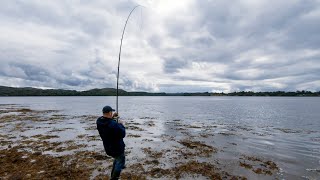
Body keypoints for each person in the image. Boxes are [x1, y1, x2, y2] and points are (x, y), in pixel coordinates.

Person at [96, 105, 126, 180]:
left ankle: (113, 174)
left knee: (117, 159)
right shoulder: (113, 124)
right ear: (109, 112)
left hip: (108, 148)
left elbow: (107, 122)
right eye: (111, 112)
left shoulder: (99, 121)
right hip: (117, 148)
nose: (112, 113)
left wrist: (113, 117)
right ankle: (114, 178)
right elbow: (123, 134)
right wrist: (121, 124)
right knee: (120, 160)